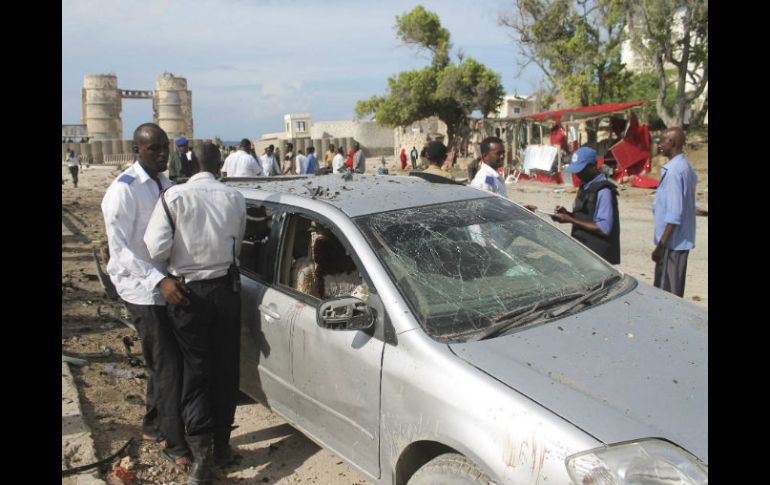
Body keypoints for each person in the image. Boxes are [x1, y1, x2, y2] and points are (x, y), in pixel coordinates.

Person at [144, 142, 247, 483]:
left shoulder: (174, 198)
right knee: (226, 368)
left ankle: (202, 458)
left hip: (188, 295)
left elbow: (155, 249)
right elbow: (240, 239)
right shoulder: (234, 198)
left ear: (190, 164)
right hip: (227, 291)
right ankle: (223, 446)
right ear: (220, 165)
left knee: (196, 372)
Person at [101, 123, 191, 471]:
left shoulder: (166, 183)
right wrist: (159, 281)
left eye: (165, 147)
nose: (163, 153)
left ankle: (154, 425)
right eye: (154, 148)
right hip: (141, 288)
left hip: (163, 282)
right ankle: (173, 439)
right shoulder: (123, 191)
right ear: (137, 149)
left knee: (160, 360)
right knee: (168, 363)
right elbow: (120, 251)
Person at [541, 147, 621, 265]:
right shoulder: (585, 186)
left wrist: (571, 220)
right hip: (584, 252)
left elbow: (603, 228)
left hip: (599, 258)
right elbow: (586, 217)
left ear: (593, 166)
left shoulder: (604, 191)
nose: (578, 174)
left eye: (581, 170)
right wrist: (567, 215)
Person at [651, 127, 697, 297]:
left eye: (662, 141)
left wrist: (661, 246)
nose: (660, 145)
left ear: (672, 143)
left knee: (666, 295)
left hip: (672, 245)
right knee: (672, 292)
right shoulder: (684, 166)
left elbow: (674, 214)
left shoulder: (674, 171)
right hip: (677, 243)